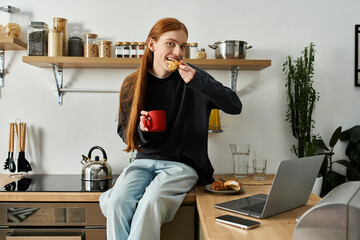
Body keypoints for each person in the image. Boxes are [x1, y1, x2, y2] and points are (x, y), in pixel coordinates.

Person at [99, 17, 242, 240]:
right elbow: (124, 132)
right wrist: (142, 131)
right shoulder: (132, 83)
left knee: (152, 200)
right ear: (152, 44)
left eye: (182, 46)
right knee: (117, 201)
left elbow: (235, 106)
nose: (178, 52)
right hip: (143, 161)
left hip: (183, 165)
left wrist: (200, 83)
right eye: (171, 43)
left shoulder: (194, 78)